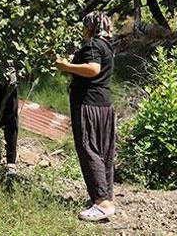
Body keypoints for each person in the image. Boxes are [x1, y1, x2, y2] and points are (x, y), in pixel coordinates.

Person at [55, 11, 116, 221]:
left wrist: (66, 67)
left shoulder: (92, 45)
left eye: (84, 26)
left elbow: (93, 69)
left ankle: (102, 203)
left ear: (90, 27)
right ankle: (106, 198)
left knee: (89, 149)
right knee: (102, 152)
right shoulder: (107, 46)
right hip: (104, 106)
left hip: (88, 104)